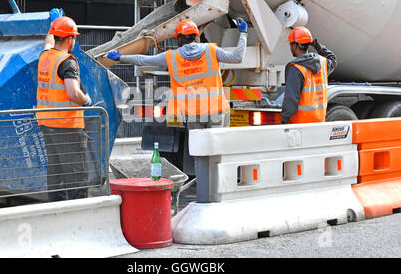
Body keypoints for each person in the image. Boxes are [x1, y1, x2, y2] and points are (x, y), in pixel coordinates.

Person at [107, 18, 248, 203]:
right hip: (216, 112)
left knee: (199, 154)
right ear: (196, 37)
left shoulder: (171, 56)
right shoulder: (211, 50)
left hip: (193, 114)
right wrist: (243, 33)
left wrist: (121, 57)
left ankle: (204, 194)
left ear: (179, 39)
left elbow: (143, 59)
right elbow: (237, 57)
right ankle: (220, 192)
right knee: (218, 152)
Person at [36, 11, 92, 202]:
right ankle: (78, 211)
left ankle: (57, 208)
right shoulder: (67, 62)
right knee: (77, 172)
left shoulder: (45, 57)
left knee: (56, 171)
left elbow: (47, 43)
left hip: (47, 123)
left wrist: (54, 24)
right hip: (67, 125)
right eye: (74, 37)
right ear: (70, 39)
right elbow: (74, 93)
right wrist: (86, 100)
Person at [281, 26, 337, 124]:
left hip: (299, 125)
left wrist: (284, 121)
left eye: (290, 44)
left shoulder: (296, 69)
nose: (290, 47)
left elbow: (291, 100)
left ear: (295, 45)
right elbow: (332, 59)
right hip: (318, 122)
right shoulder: (323, 63)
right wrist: (317, 45)